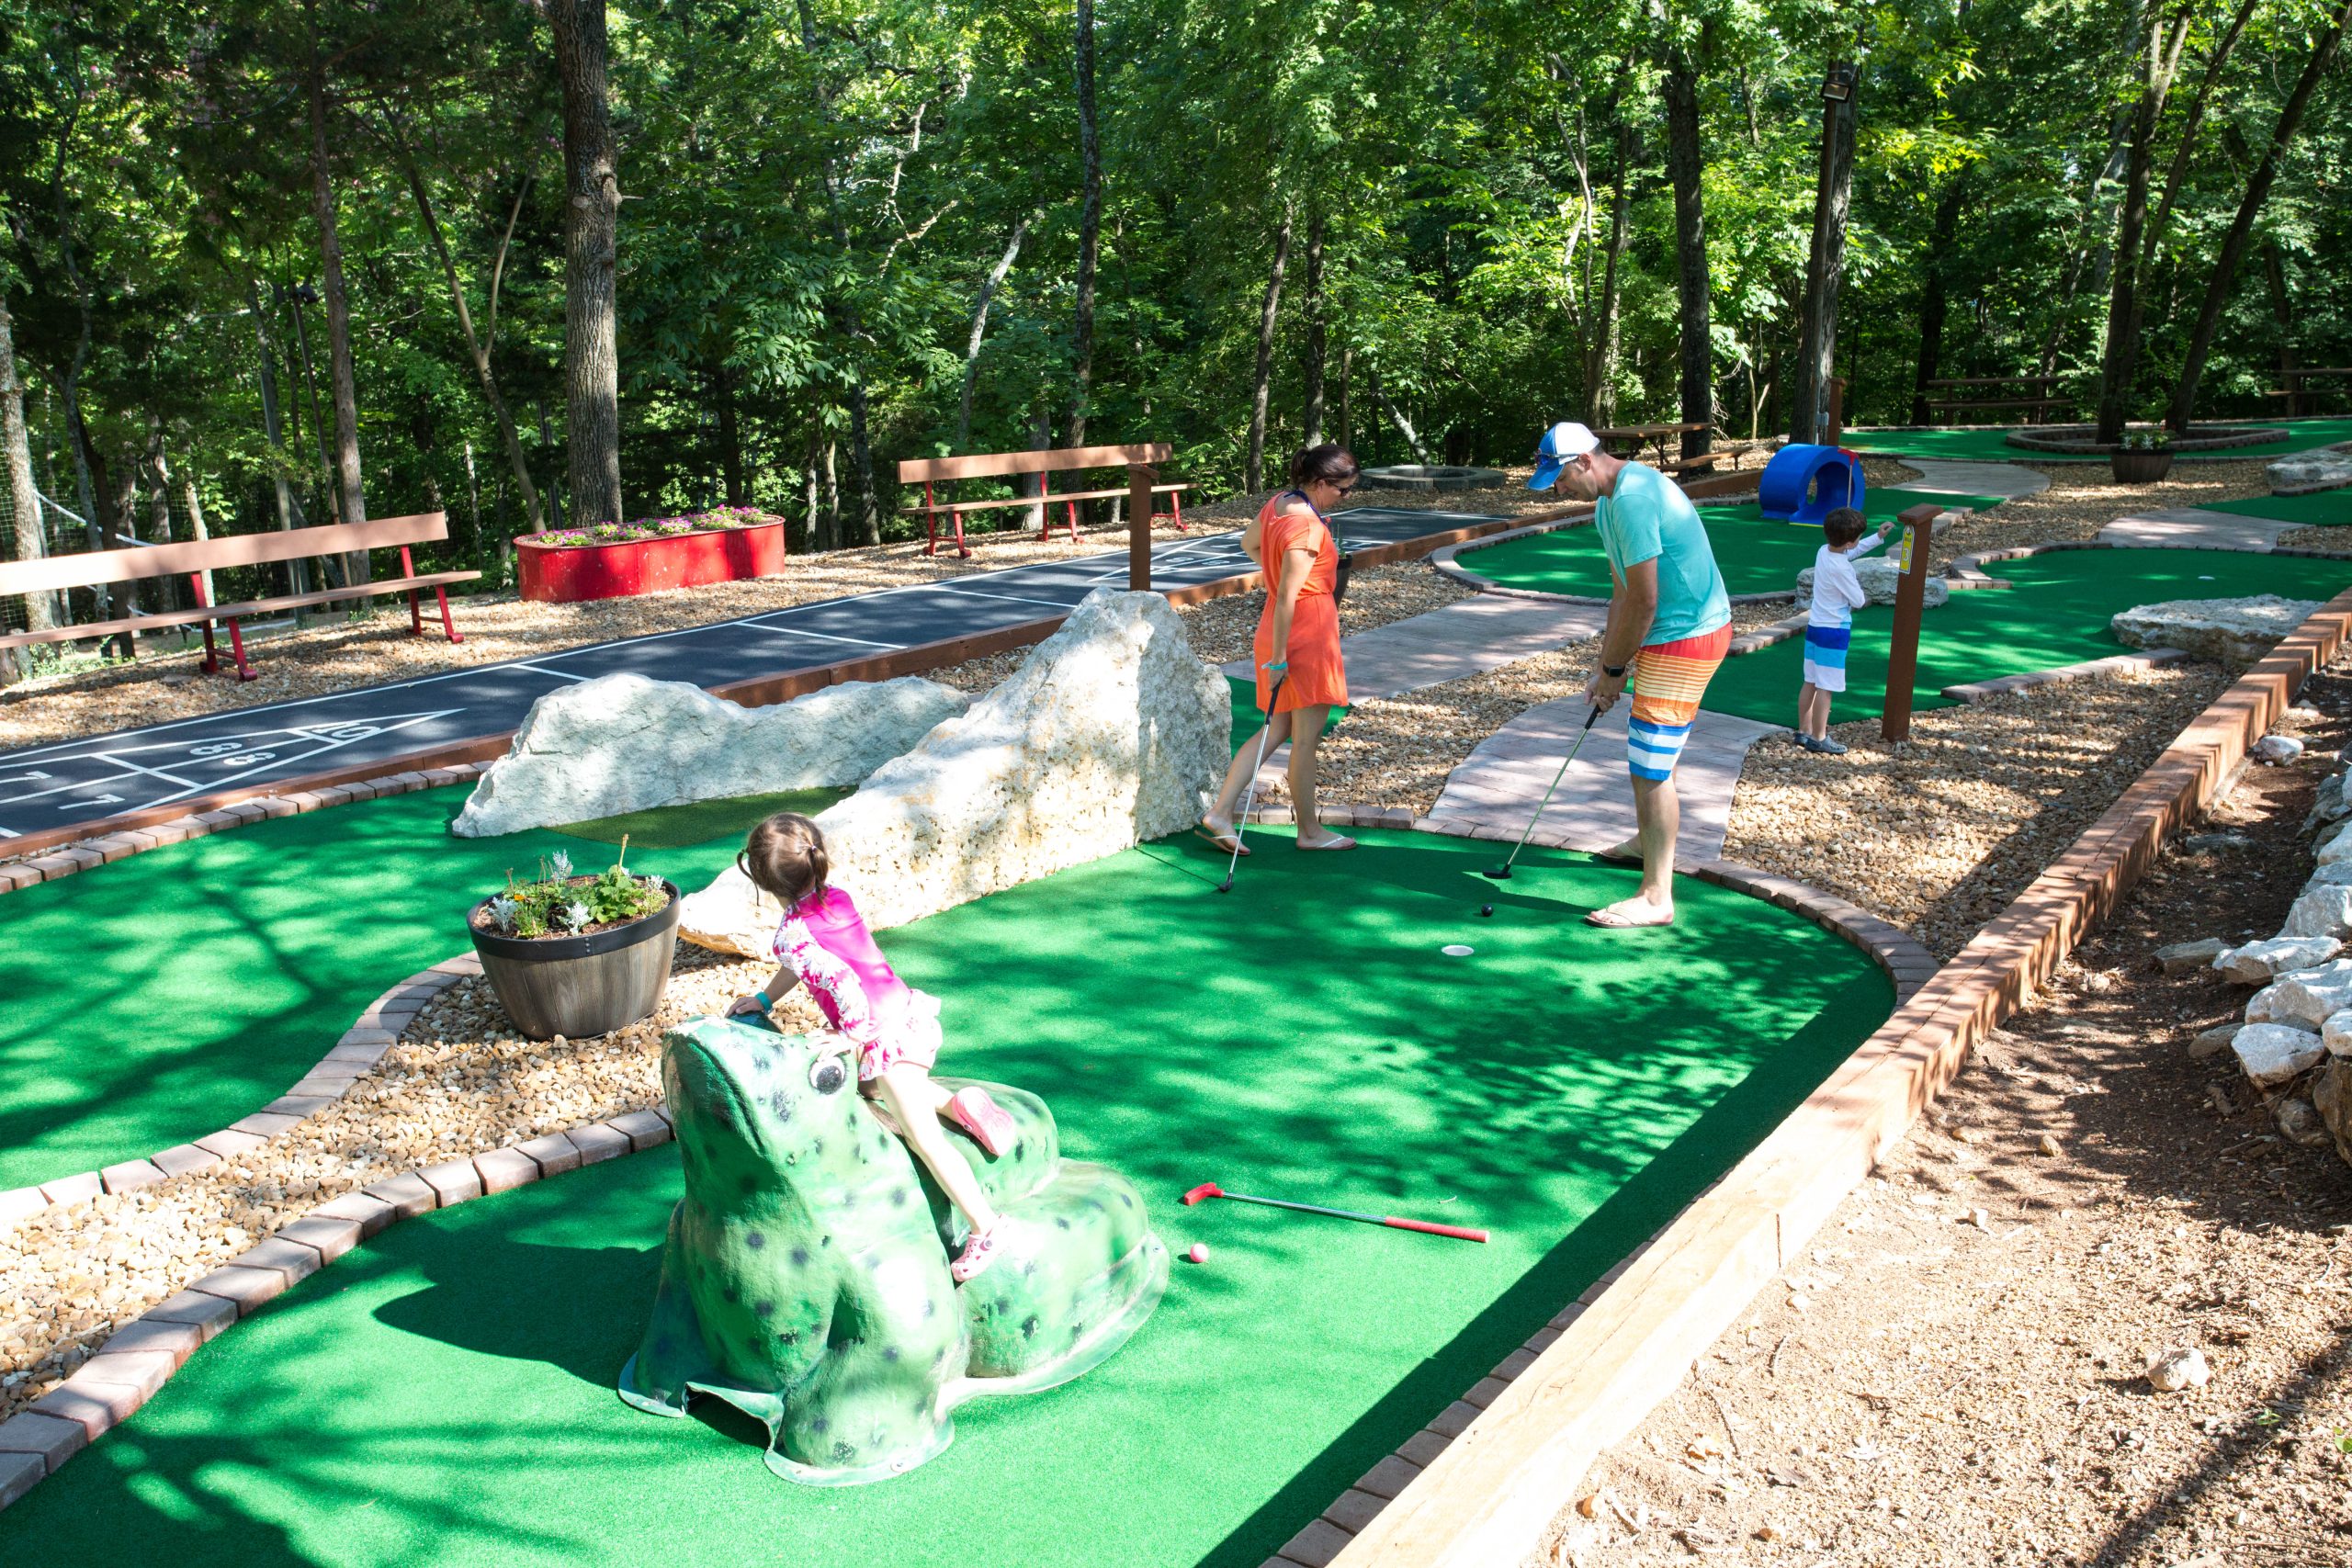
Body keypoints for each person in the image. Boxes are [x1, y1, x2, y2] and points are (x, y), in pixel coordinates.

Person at [727, 812, 1017, 1282]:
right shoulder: (832, 898)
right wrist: (765, 998)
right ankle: (959, 1105)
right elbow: (811, 964)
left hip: (885, 1034)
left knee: (923, 1138)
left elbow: (842, 983)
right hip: (902, 1011)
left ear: (762, 879)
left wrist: (851, 1036)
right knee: (869, 1089)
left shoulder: (793, 935)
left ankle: (987, 1227)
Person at [1528, 420, 1731, 930]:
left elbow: (1646, 601)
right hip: (1670, 632)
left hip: (1686, 635)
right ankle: (1647, 842)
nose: (1559, 489)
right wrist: (1605, 667)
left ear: (1584, 461)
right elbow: (1622, 592)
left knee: (1649, 764)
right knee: (1654, 754)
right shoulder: (1607, 502)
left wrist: (1617, 669)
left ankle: (1657, 896)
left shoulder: (1633, 501)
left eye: (1560, 477)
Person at [1197, 444, 1359, 854]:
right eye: (1343, 490)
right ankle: (1310, 833)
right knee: (1305, 740)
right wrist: (1280, 658)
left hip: (1279, 626)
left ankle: (1220, 812)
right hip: (1304, 634)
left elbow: (1249, 544)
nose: (1346, 497)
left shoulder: (1279, 503)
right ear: (1320, 482)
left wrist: (1275, 575)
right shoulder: (1308, 528)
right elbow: (1289, 595)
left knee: (1277, 727)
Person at [1796, 505, 1894, 755]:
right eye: (1858, 537)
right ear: (1849, 542)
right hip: (1834, 631)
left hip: (1816, 627)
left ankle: (1804, 731)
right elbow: (1858, 600)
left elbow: (1851, 551)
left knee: (1810, 681)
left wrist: (1877, 537)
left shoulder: (1823, 551)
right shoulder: (1842, 567)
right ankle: (1819, 737)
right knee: (1826, 686)